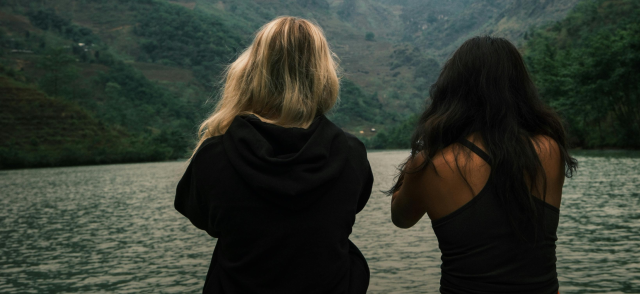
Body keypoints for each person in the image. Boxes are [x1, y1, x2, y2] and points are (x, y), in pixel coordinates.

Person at [175, 16, 373, 294]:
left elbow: (202, 217)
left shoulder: (215, 155)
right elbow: (351, 208)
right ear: (323, 73)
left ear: (251, 70)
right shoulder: (351, 154)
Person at [390, 36, 577, 294]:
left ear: (452, 90)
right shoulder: (550, 150)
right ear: (520, 87)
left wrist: (426, 146)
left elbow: (401, 218)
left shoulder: (431, 164)